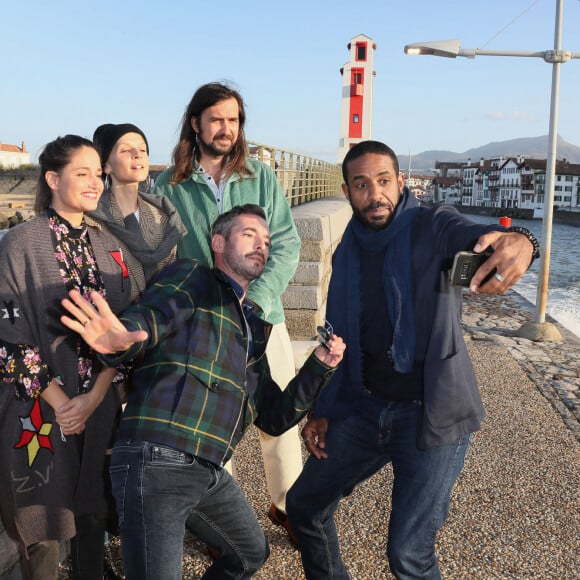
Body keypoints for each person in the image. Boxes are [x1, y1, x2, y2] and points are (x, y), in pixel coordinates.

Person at [285, 140, 540, 579]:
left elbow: (473, 236)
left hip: (430, 413)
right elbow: (341, 336)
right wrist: (324, 410)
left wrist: (522, 240)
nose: (375, 193)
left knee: (408, 554)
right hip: (365, 408)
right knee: (304, 507)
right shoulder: (347, 249)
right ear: (346, 192)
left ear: (401, 183)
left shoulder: (431, 224)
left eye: (384, 181)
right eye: (362, 185)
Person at [60, 204, 346, 580]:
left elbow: (276, 417)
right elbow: (156, 314)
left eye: (266, 240)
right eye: (248, 234)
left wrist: (320, 364)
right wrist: (120, 338)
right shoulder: (194, 280)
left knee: (249, 552)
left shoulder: (250, 332)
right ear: (217, 242)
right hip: (159, 456)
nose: (261, 244)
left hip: (208, 470)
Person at [153, 81, 303, 542]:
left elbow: (287, 243)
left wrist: (255, 299)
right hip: (204, 324)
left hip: (262, 316)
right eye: (216, 119)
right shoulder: (168, 185)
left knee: (281, 420)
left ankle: (290, 507)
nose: (226, 129)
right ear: (195, 123)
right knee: (213, 426)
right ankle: (225, 527)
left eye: (233, 120)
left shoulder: (259, 175)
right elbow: (163, 255)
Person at [0, 135, 132, 580]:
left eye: (99, 173)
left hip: (99, 399)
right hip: (37, 406)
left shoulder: (109, 243)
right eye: (83, 173)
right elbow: (7, 337)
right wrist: (62, 403)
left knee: (94, 510)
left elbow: (125, 327)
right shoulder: (20, 243)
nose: (95, 182)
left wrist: (94, 396)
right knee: (43, 521)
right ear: (53, 179)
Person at [88, 123, 186, 301]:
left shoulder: (164, 217)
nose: (137, 154)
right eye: (125, 150)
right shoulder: (91, 220)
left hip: (160, 318)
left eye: (143, 149)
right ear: (107, 166)